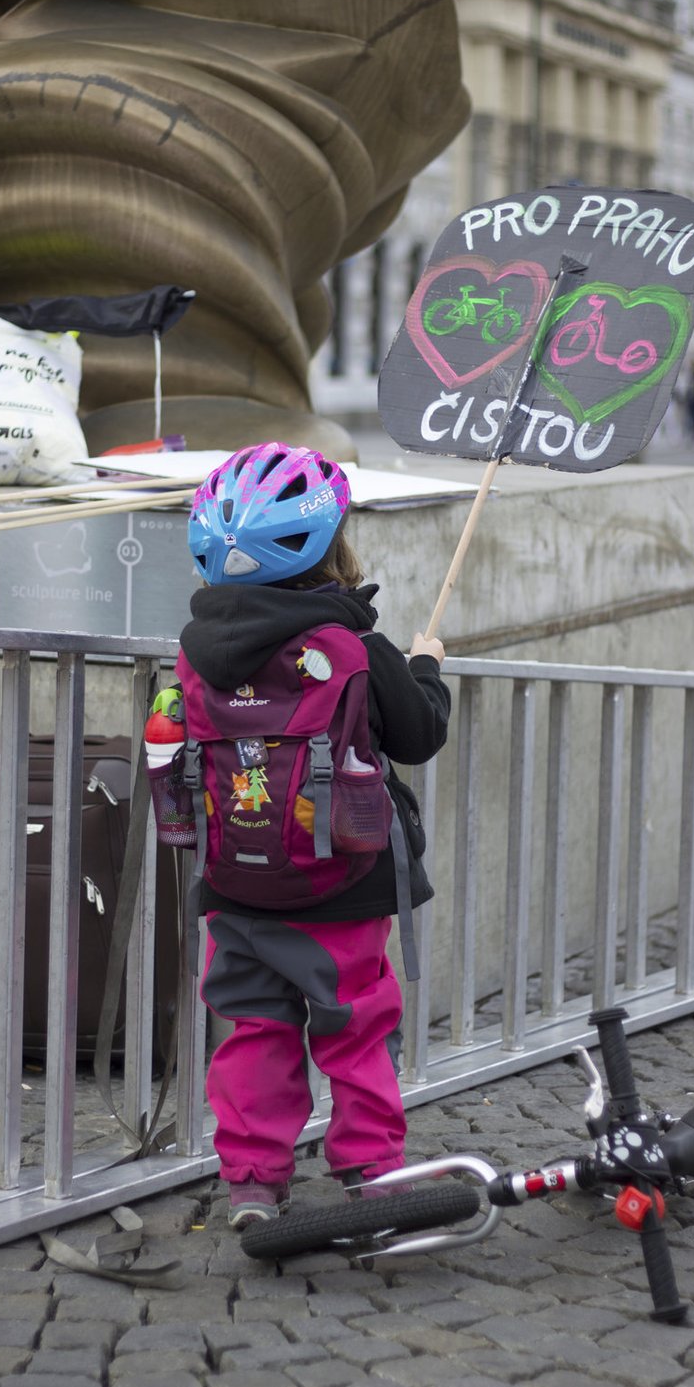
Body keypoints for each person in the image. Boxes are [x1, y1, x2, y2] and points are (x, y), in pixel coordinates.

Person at [178, 443, 451, 1228]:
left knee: (255, 1028)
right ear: (332, 549)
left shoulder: (195, 654)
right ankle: (372, 1174)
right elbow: (418, 733)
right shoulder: (354, 647)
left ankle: (254, 1184)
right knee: (356, 1027)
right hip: (340, 884)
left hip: (233, 882)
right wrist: (426, 666)